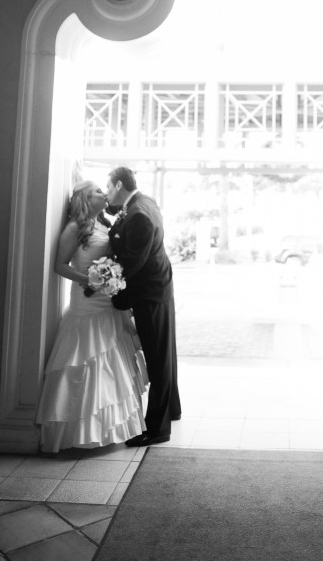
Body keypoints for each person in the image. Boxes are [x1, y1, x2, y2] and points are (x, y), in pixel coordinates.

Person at [36, 180, 148, 453]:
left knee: (110, 360)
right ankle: (78, 429)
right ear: (85, 198)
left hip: (107, 302)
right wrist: (90, 279)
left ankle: (109, 428)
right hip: (87, 304)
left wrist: (111, 279)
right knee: (87, 360)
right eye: (98, 190)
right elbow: (60, 266)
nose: (104, 193)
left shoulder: (105, 225)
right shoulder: (75, 228)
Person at [106, 166, 181, 446]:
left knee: (158, 358)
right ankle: (172, 409)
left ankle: (158, 429)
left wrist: (115, 290)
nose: (106, 191)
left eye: (108, 186)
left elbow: (133, 261)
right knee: (165, 353)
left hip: (148, 292)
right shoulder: (143, 202)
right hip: (159, 286)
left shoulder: (138, 214)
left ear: (119, 185)